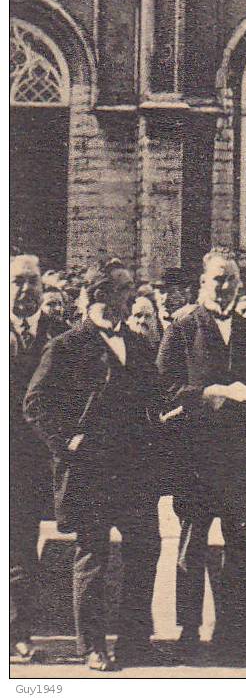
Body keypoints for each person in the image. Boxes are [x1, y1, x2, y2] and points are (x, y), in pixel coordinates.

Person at [24, 263, 164, 671]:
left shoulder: (137, 345)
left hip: (135, 473)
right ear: (103, 295)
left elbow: (154, 396)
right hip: (90, 473)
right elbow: (36, 403)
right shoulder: (67, 346)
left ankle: (136, 642)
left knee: (145, 550)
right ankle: (93, 646)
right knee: (93, 559)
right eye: (124, 290)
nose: (131, 296)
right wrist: (66, 441)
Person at [157, 248, 246, 659]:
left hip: (243, 457)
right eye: (217, 279)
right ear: (202, 283)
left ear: (240, 284)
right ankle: (188, 631)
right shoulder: (182, 328)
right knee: (193, 544)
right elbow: (164, 389)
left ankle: (236, 631)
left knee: (240, 542)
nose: (224, 286)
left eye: (231, 279)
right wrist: (210, 393)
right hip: (197, 457)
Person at [10, 255, 54, 664]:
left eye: (32, 282)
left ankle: (19, 632)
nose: (26, 289)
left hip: (36, 462)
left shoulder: (59, 335)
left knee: (23, 544)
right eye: (18, 282)